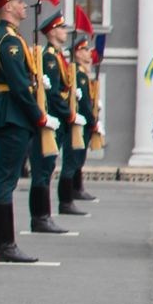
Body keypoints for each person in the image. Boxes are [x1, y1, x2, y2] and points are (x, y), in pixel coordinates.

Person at [0, 0, 48, 262]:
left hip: (14, 113)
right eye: (19, 2)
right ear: (7, 7)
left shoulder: (13, 37)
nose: (24, 6)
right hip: (12, 114)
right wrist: (38, 115)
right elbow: (19, 86)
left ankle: (4, 244)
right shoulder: (8, 41)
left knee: (6, 180)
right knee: (5, 180)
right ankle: (4, 245)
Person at [28, 8, 72, 236]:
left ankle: (43, 216)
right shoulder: (49, 58)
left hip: (56, 119)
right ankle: (40, 217)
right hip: (51, 119)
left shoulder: (57, 57)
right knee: (43, 169)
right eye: (62, 28)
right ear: (53, 31)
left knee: (47, 168)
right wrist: (68, 114)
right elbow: (52, 94)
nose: (66, 31)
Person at [62, 37, 102, 211]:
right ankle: (66, 201)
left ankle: (73, 193)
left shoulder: (81, 73)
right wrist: (93, 121)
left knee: (77, 160)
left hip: (82, 123)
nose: (89, 53)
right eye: (85, 50)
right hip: (78, 124)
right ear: (77, 53)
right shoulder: (79, 74)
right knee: (71, 162)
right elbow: (84, 103)